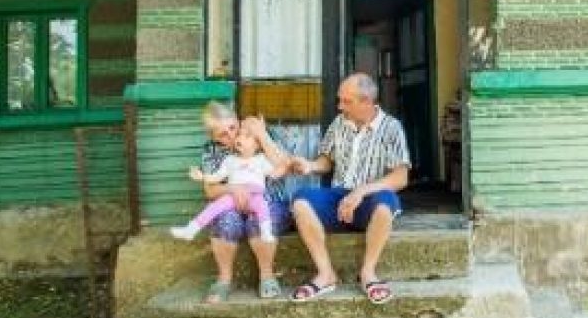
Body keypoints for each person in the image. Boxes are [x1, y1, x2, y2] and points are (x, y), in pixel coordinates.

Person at [288, 73, 410, 305]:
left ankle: (368, 273)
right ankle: (325, 274)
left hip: (371, 199)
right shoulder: (338, 123)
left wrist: (361, 191)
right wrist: (310, 166)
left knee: (386, 202)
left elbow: (400, 177)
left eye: (346, 101)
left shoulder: (391, 127)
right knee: (301, 200)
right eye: (340, 100)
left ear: (365, 101)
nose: (339, 105)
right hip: (338, 197)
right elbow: (326, 162)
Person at [192, 102, 294, 303]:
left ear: (238, 120)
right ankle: (224, 280)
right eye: (222, 134)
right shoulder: (211, 150)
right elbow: (210, 190)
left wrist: (262, 135)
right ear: (212, 137)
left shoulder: (261, 134)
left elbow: (285, 165)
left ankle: (266, 276)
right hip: (231, 205)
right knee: (225, 220)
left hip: (270, 201)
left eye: (232, 127)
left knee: (259, 219)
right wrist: (233, 188)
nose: (230, 136)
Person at [170, 125, 279, 243]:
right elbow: (217, 177)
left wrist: (290, 165)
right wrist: (202, 177)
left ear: (257, 145)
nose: (240, 138)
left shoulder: (261, 159)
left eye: (246, 136)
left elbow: (275, 171)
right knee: (214, 207)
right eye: (239, 135)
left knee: (263, 207)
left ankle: (266, 233)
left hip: (255, 195)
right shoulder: (230, 160)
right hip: (233, 197)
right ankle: (191, 230)